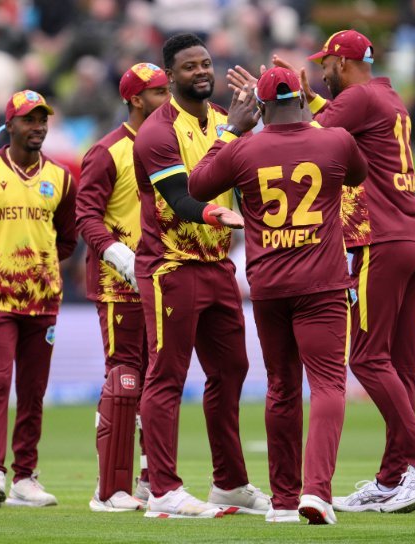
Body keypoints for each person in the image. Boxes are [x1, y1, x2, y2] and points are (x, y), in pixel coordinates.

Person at [230, 29, 415, 513]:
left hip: (379, 239)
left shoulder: (356, 99)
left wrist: (276, 100)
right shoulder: (387, 96)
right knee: (396, 364)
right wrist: (296, 94)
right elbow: (323, 123)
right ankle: (394, 477)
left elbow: (304, 136)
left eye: (326, 66)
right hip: (410, 238)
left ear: (343, 62)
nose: (323, 74)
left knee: (367, 360)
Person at [189, 67, 368, 525]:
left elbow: (197, 185)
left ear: (261, 108)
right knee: (327, 385)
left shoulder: (244, 148)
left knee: (281, 387)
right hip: (322, 283)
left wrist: (231, 129)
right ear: (303, 100)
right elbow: (357, 174)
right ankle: (317, 492)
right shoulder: (336, 140)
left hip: (269, 286)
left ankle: (284, 502)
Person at [132, 33, 270, 519]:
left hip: (217, 265)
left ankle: (229, 484)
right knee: (167, 375)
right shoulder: (157, 131)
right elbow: (180, 199)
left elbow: (252, 172)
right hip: (171, 265)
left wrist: (267, 113)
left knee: (231, 370)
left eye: (206, 63)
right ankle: (163, 489)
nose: (202, 72)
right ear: (170, 76)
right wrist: (218, 212)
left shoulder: (223, 120)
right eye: (190, 66)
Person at [0, 90, 77, 508]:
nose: (38, 127)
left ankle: (25, 477)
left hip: (43, 302)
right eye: (29, 120)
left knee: (33, 390)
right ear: (10, 125)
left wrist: (38, 266)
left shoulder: (61, 178)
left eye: (43, 120)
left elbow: (67, 239)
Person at [76, 62, 171, 513]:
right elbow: (86, 216)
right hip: (120, 286)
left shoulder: (170, 144)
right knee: (123, 380)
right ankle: (108, 488)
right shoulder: (107, 151)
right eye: (158, 92)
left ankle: (153, 479)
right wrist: (119, 256)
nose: (167, 99)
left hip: (163, 281)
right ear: (135, 99)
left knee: (157, 381)